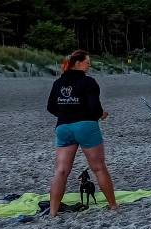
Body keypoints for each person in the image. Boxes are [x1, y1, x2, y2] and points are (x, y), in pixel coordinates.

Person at [46, 50, 117, 213]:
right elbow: (94, 107)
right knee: (99, 167)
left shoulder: (58, 83)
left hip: (63, 127)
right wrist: (101, 114)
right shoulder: (88, 82)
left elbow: (51, 107)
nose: (89, 65)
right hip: (85, 126)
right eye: (87, 62)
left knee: (61, 170)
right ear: (77, 63)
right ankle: (113, 205)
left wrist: (66, 114)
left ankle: (53, 212)